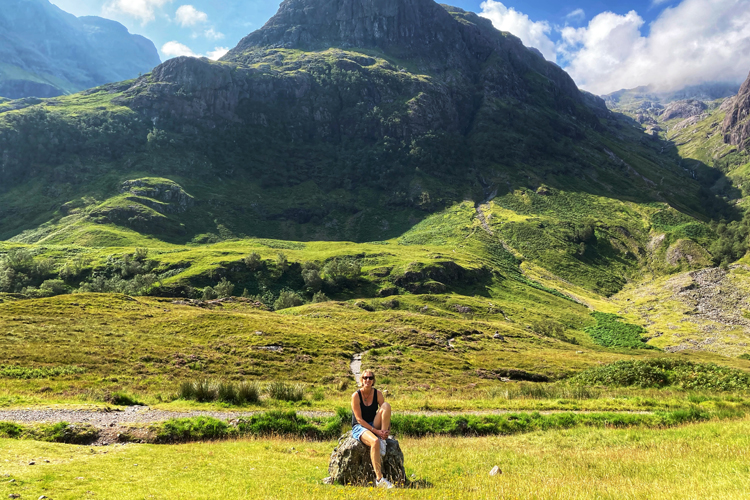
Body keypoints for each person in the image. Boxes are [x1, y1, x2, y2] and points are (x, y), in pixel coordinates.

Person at [351, 369, 393, 489]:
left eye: (370, 378)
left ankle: (383, 440)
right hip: (360, 426)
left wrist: (386, 430)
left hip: (373, 423)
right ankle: (379, 479)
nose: (367, 380)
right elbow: (359, 419)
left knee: (386, 405)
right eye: (365, 378)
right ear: (361, 380)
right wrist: (376, 432)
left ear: (373, 380)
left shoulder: (378, 394)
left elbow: (385, 413)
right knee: (374, 441)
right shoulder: (356, 396)